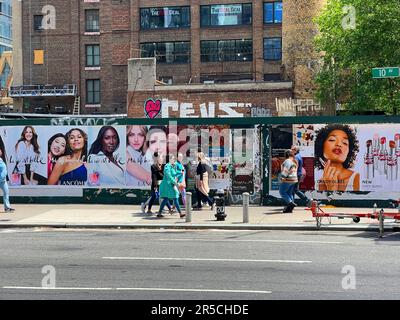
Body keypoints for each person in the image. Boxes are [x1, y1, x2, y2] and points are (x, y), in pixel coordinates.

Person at [314, 124, 360, 192]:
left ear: (349, 151)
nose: (338, 144)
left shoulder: (356, 177)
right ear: (321, 145)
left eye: (344, 143)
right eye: (332, 140)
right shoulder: (316, 183)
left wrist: (332, 188)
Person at [0, 136, 14, 212]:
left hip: (3, 181)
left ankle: (7, 207)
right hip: (1, 180)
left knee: (6, 192)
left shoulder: (2, 160)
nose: (1, 151)